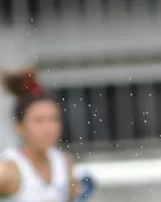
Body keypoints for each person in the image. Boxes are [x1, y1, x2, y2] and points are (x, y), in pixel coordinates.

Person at [0, 68, 93, 201]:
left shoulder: (64, 162)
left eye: (53, 119)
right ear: (19, 126)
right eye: (39, 120)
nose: (48, 128)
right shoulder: (8, 171)